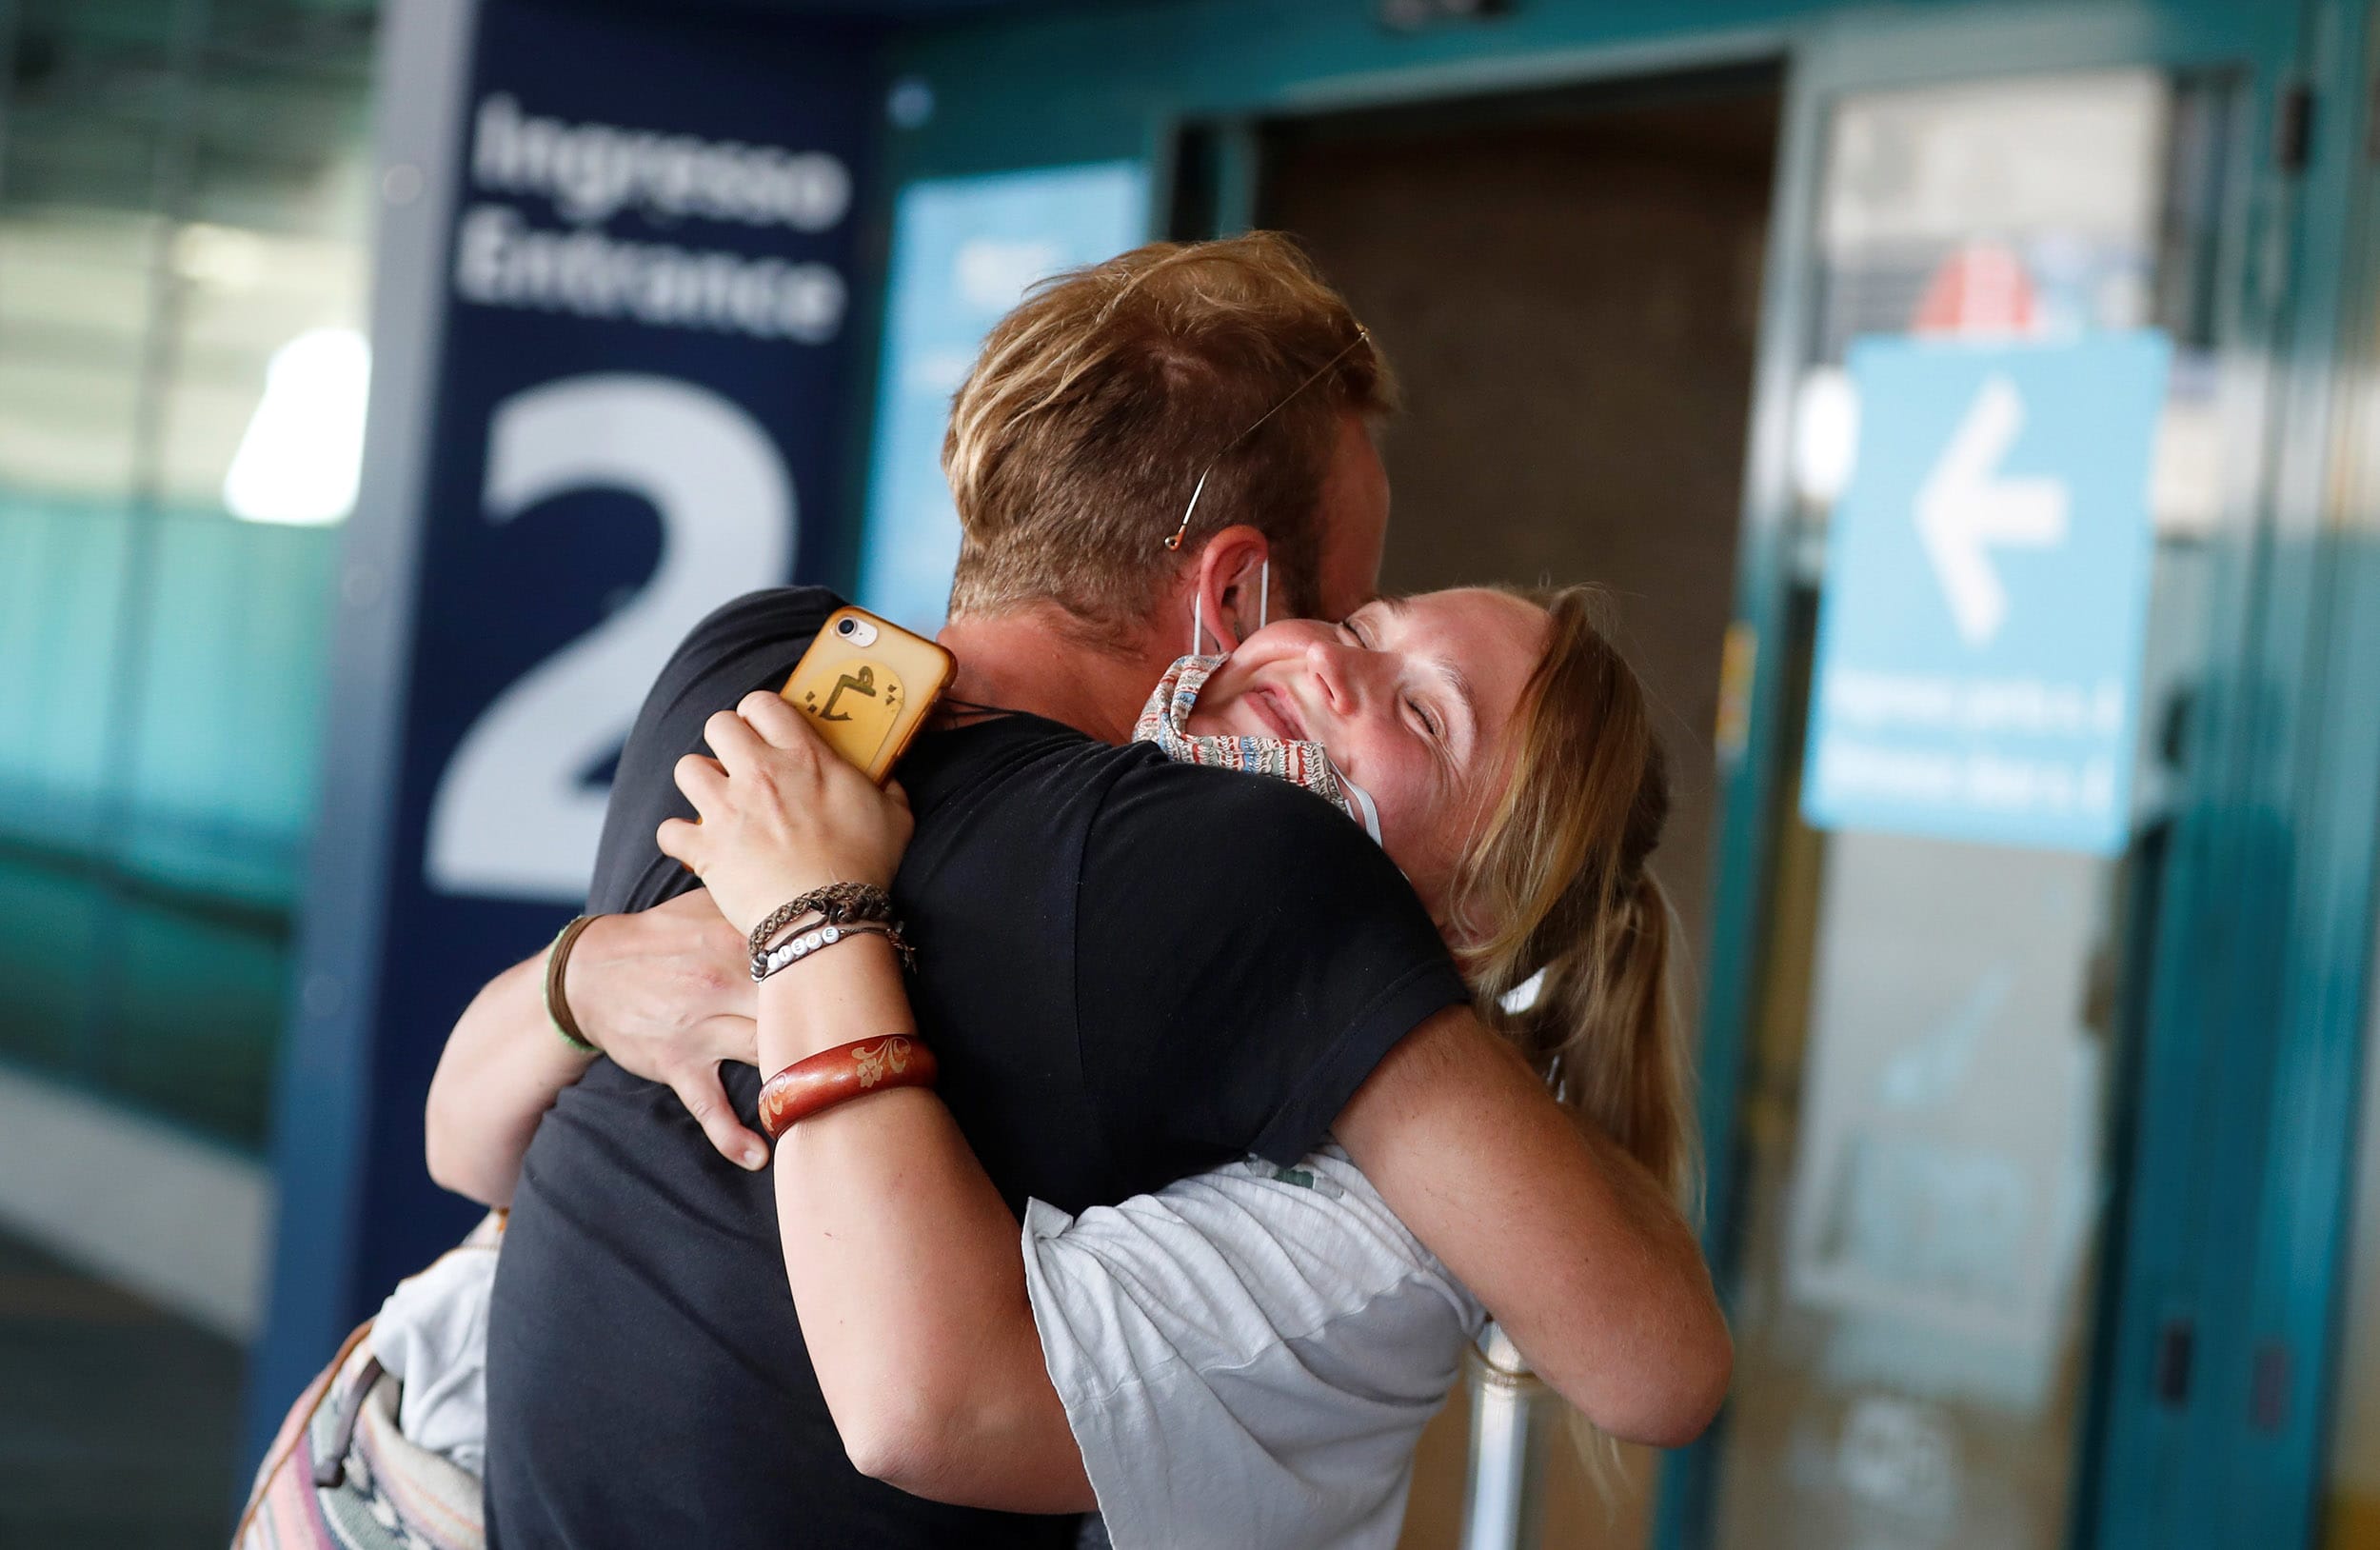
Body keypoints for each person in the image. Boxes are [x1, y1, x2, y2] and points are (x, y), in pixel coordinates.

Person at [428, 234, 1727, 1549]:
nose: (1332, 654)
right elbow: (1656, 1361)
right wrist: (613, 970)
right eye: (1357, 609)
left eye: (1421, 712)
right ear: (1239, 594)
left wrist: (615, 967)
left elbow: (477, 1153)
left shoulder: (761, 671)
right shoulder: (1250, 871)